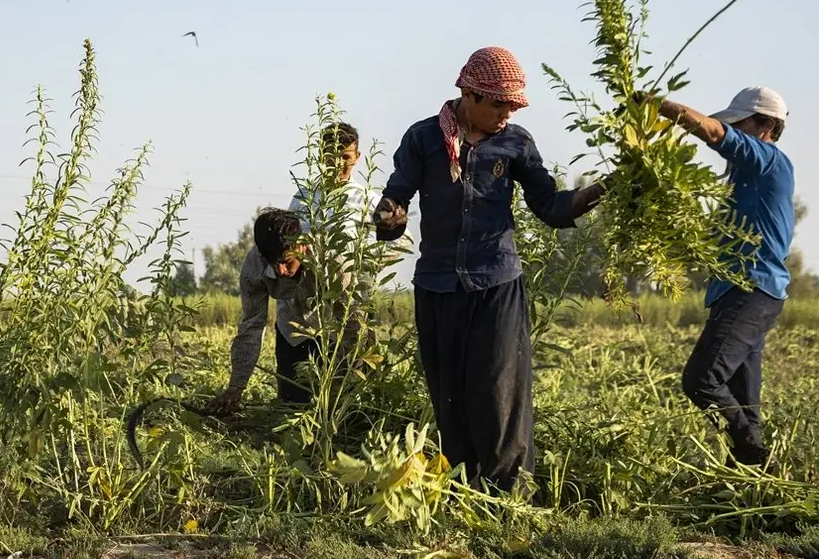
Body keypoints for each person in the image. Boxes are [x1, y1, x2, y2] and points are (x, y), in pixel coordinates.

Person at [373, 46, 606, 494]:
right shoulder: (423, 139)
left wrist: (604, 188)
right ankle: (463, 487)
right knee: (449, 393)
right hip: (438, 285)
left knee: (499, 391)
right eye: (498, 103)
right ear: (469, 94)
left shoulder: (515, 143)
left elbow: (552, 207)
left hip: (496, 282)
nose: (506, 113)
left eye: (512, 105)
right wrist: (389, 217)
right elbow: (395, 199)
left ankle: (508, 494)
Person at [654, 87, 794, 466]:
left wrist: (661, 107)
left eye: (740, 123)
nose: (732, 129)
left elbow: (715, 135)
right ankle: (756, 478)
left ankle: (754, 450)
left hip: (753, 290)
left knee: (701, 380)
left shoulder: (768, 161)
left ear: (765, 125)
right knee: (744, 402)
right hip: (741, 292)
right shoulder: (744, 179)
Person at [208, 209, 325, 412]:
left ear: (302, 246)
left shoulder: (329, 256)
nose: (280, 271)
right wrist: (236, 387)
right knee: (293, 407)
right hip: (293, 330)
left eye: (287, 262)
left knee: (341, 408)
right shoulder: (254, 266)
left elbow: (348, 317)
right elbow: (251, 325)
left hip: (333, 328)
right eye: (274, 263)